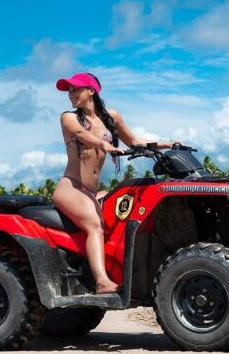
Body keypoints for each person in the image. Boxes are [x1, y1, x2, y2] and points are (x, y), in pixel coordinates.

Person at [52, 72, 175, 294]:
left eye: (75, 89)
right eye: (68, 90)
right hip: (71, 187)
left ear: (91, 90)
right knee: (94, 226)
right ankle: (101, 282)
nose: (71, 94)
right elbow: (81, 134)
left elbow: (135, 141)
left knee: (121, 218)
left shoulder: (112, 117)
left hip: (91, 191)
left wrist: (168, 144)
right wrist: (104, 145)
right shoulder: (69, 118)